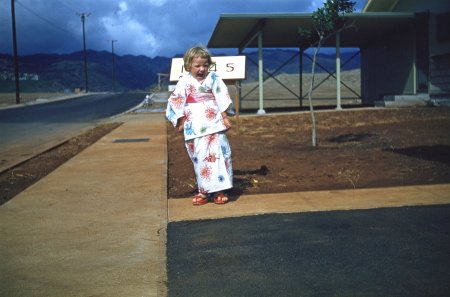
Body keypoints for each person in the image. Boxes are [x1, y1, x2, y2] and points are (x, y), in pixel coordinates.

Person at [166, 46, 234, 205]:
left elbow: (221, 97)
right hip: (193, 123)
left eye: (205, 65)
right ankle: (203, 191)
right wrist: (181, 120)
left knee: (217, 155)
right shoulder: (184, 81)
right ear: (189, 65)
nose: (201, 69)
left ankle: (219, 190)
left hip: (214, 122)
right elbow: (176, 100)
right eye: (197, 66)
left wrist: (225, 118)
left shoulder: (213, 78)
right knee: (200, 157)